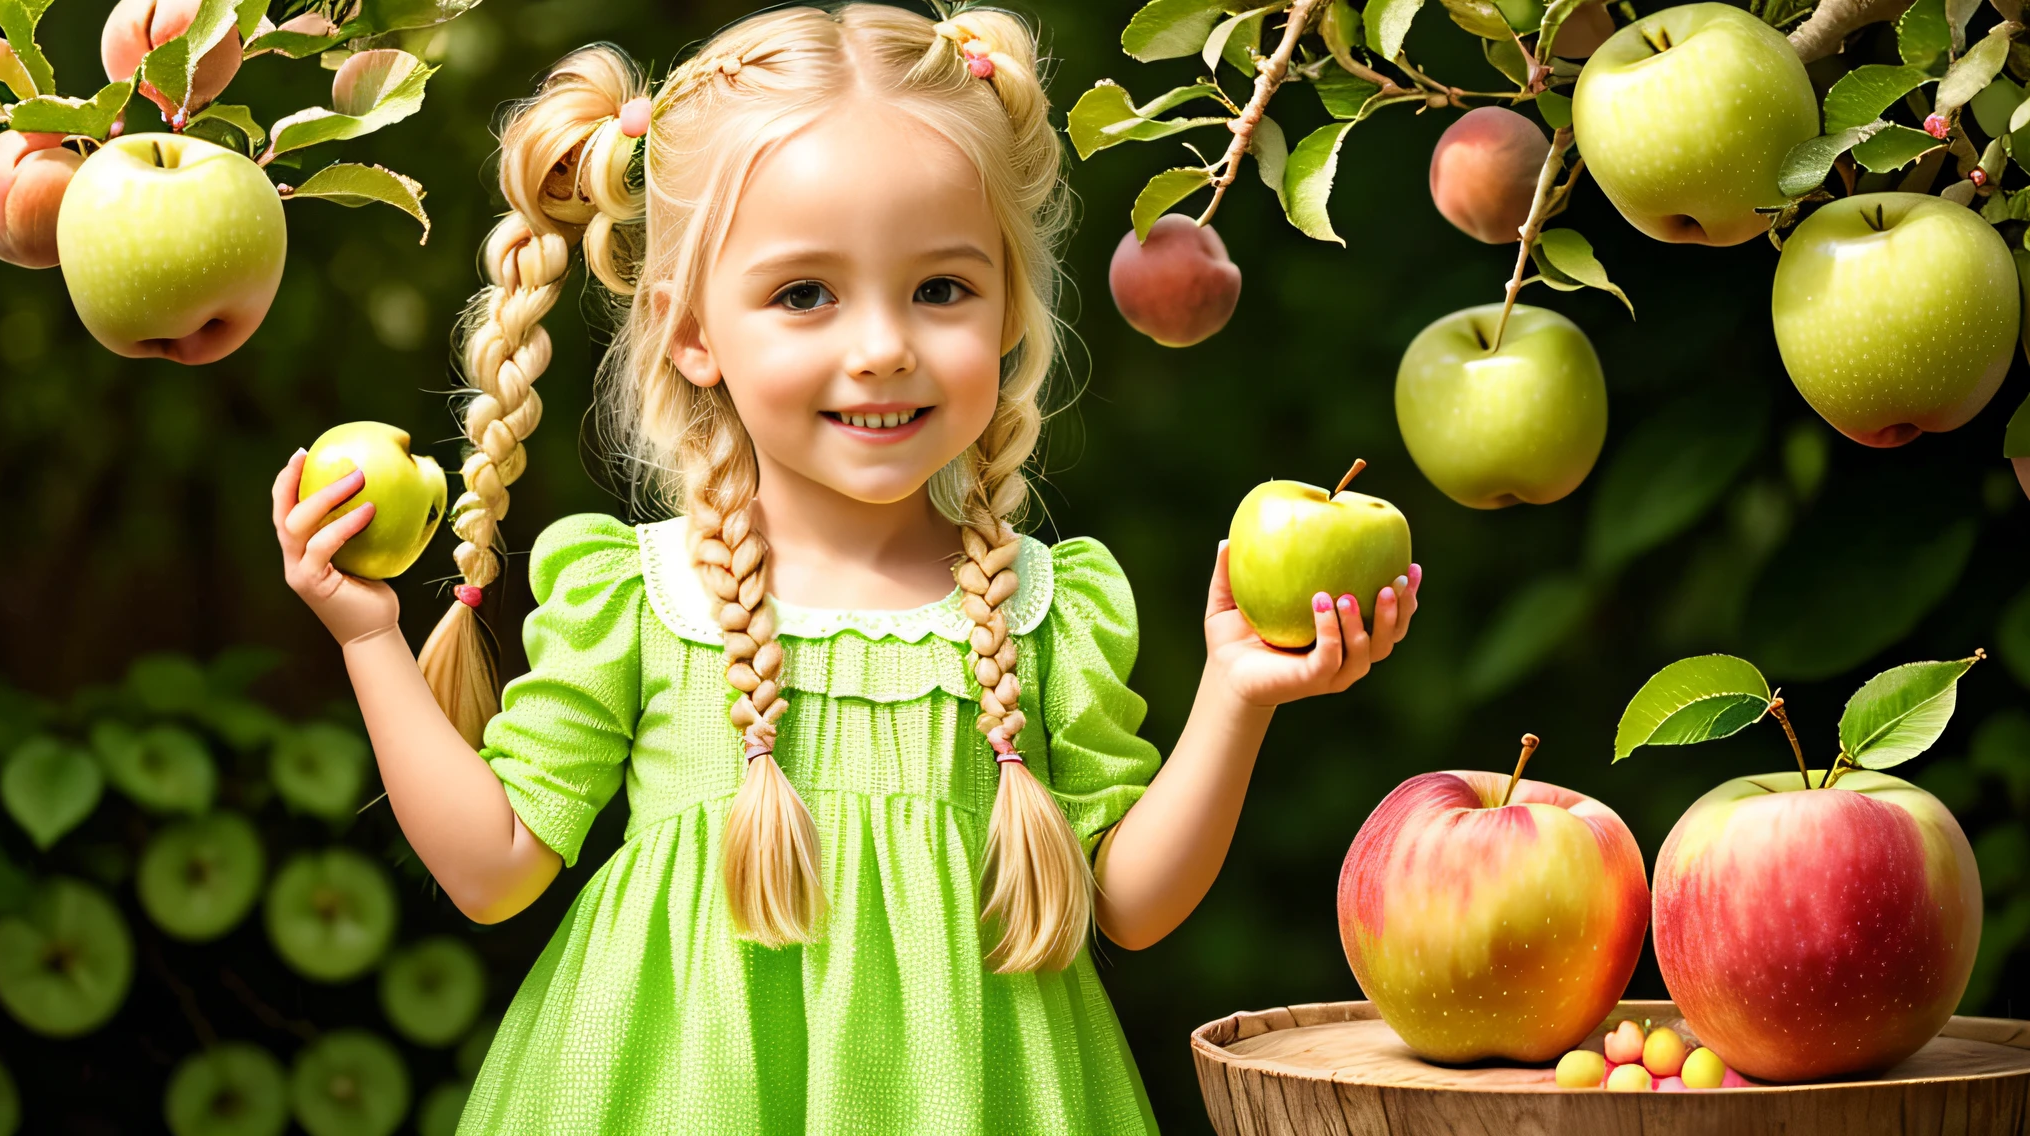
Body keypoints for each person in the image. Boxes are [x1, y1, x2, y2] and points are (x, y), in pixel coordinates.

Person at [271, 4, 1422, 1131]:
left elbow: (1122, 903)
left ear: (1010, 305)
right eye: (803, 293)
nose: (880, 346)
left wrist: (1233, 696)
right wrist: (370, 635)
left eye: (940, 289)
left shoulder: (1040, 607)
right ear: (691, 329)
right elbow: (494, 870)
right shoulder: (639, 597)